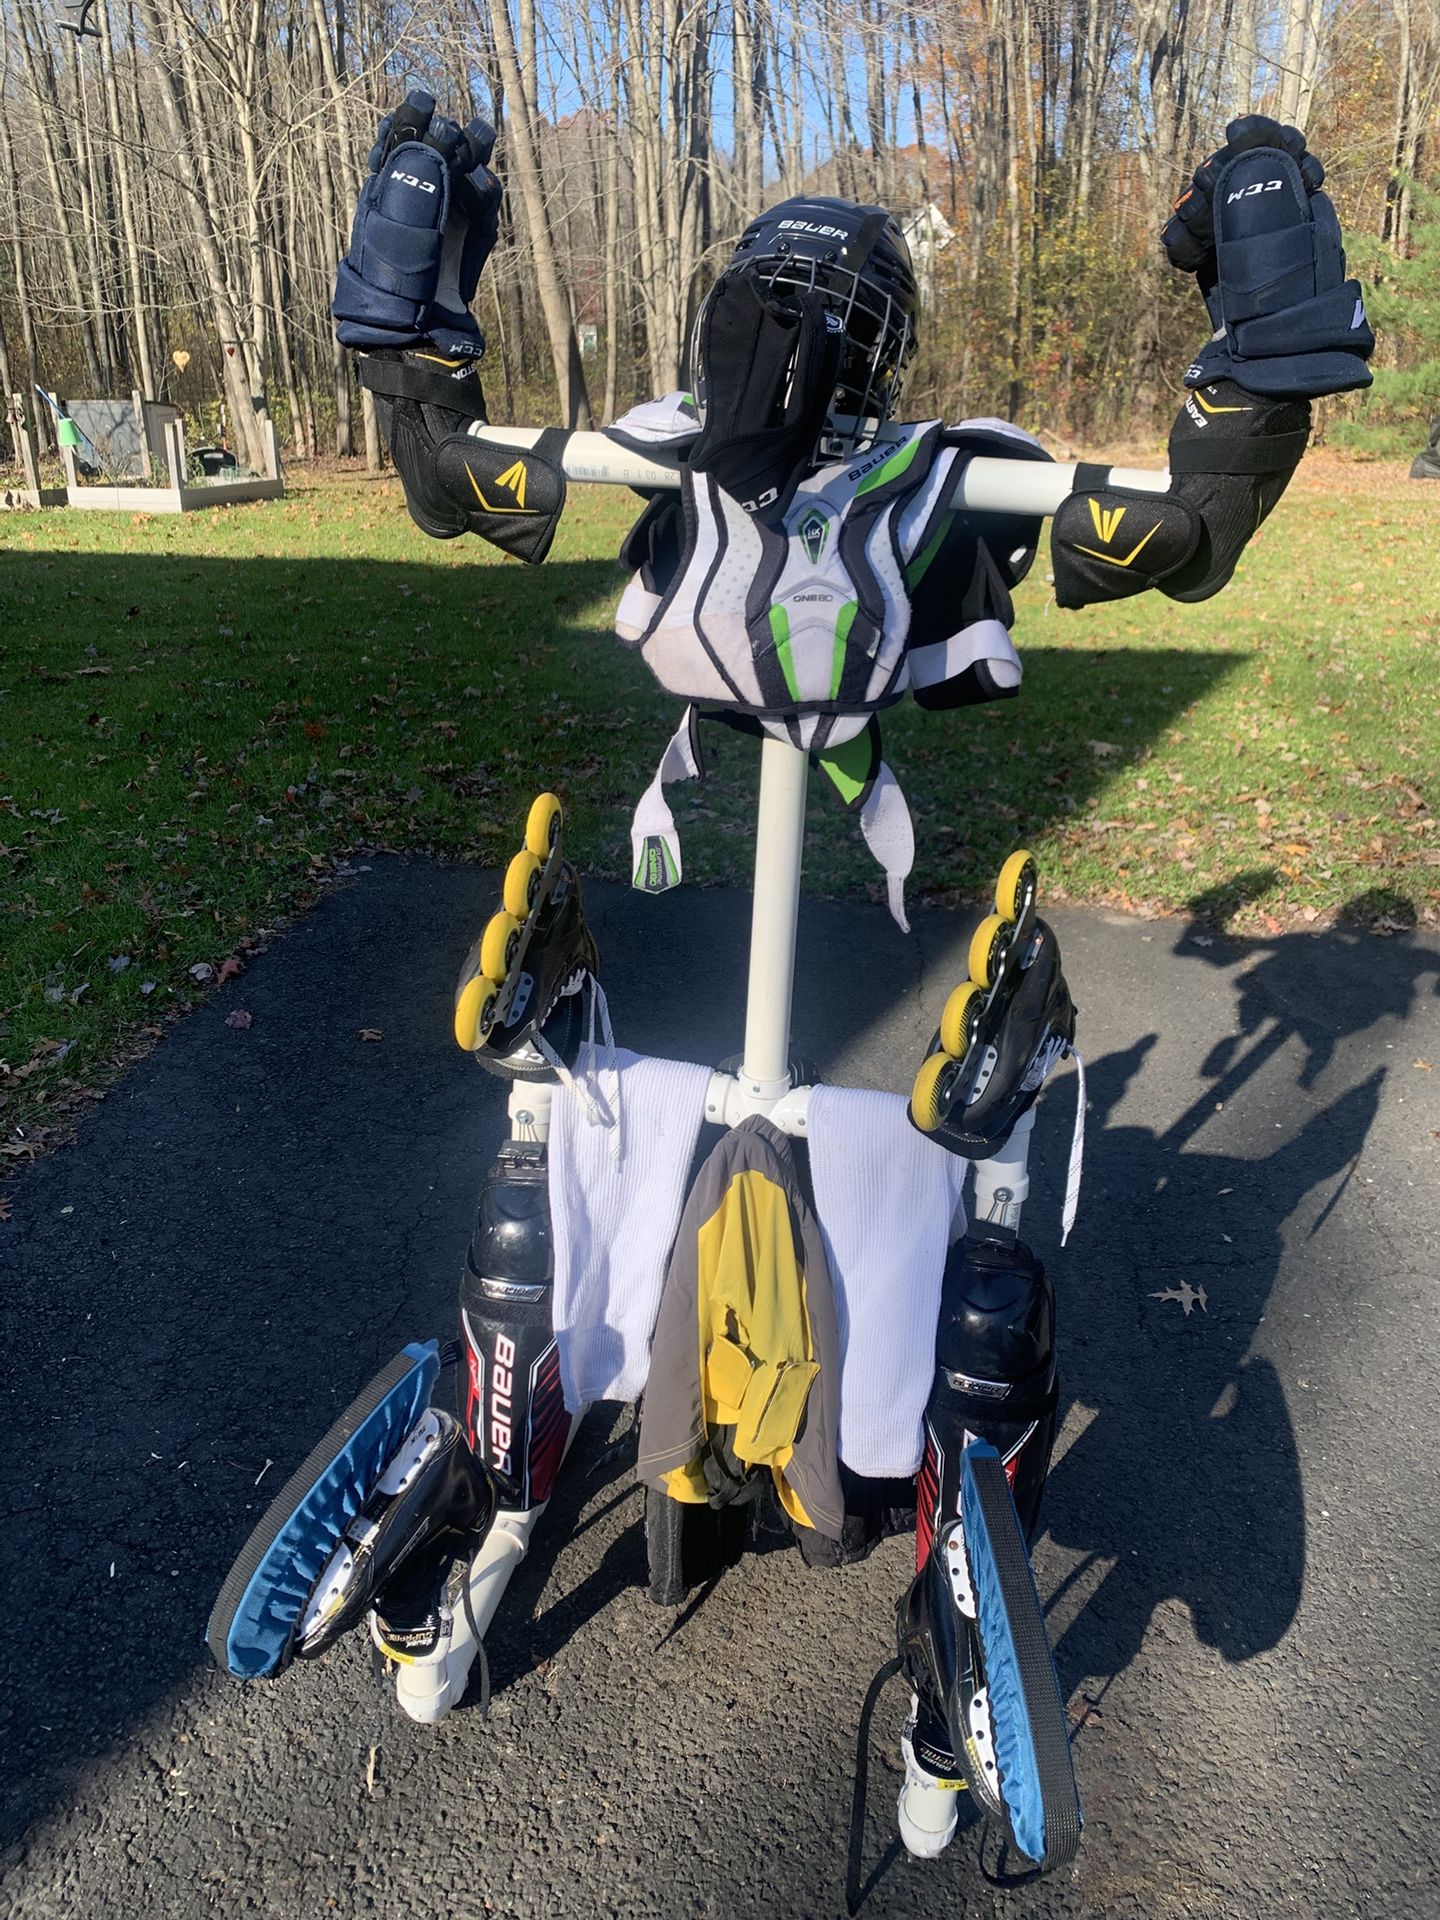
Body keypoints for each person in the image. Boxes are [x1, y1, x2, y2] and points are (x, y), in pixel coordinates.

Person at [207, 98, 1375, 1873]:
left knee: (585, 1133)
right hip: (816, 795)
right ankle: (906, 1550)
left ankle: (535, 1358)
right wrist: (1269, 300)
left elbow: (446, 471)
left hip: (746, 794)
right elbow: (1192, 518)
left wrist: (413, 294)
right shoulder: (932, 477)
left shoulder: (674, 454)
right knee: (917, 1200)